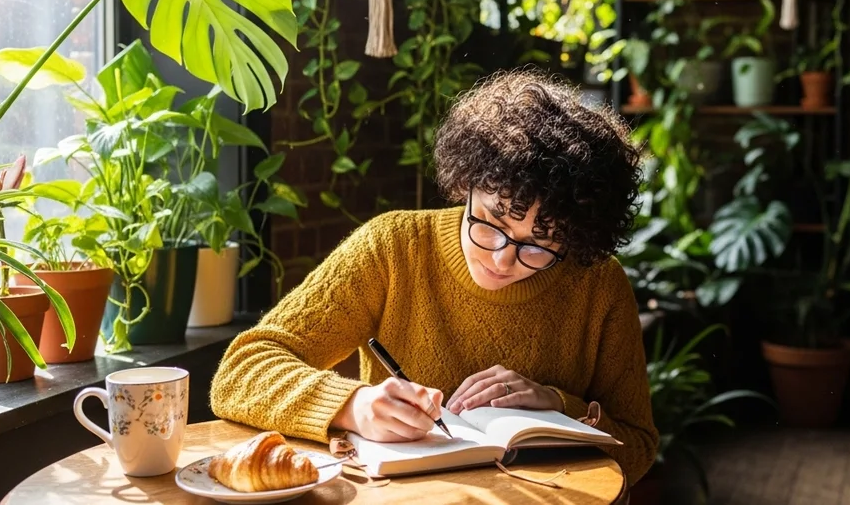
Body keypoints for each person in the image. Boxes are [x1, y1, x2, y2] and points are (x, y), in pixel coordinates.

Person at [209, 69, 657, 482]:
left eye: (538, 246)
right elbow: (240, 371)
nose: (502, 260)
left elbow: (638, 446)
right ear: (466, 185)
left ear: (576, 241)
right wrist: (353, 405)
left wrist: (561, 407)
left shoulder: (597, 284)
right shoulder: (393, 246)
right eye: (490, 223)